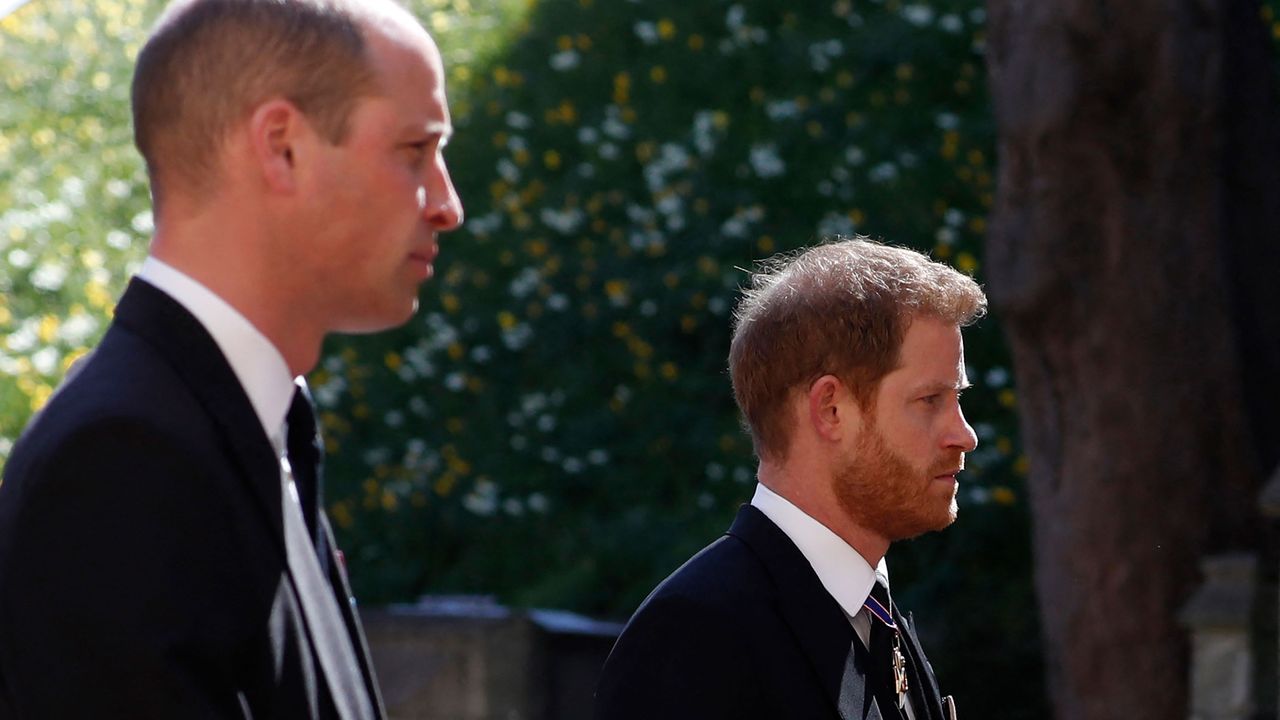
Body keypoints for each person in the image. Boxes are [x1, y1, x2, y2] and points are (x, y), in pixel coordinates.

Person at [0, 0, 462, 716]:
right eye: (415, 150)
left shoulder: (238, 421)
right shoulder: (123, 461)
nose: (447, 204)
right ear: (282, 145)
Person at [594, 238, 984, 720]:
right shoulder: (698, 633)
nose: (964, 435)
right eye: (931, 400)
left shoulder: (877, 621)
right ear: (831, 409)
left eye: (957, 399)